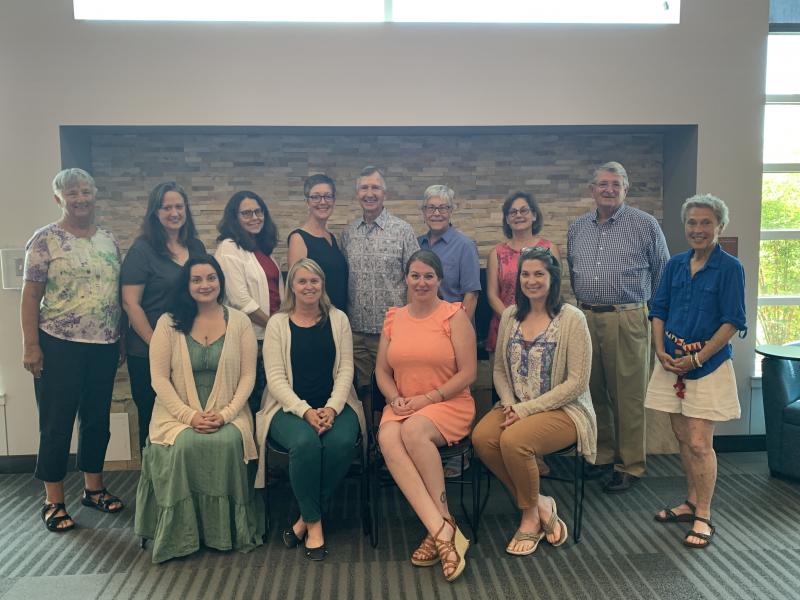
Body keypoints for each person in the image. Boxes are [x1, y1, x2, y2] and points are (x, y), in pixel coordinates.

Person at [134, 256, 263, 563]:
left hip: (228, 409)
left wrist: (227, 414)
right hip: (176, 411)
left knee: (231, 440)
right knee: (185, 444)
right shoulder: (168, 322)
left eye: (211, 278)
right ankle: (181, 535)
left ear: (220, 281)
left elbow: (248, 376)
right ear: (186, 285)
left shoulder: (240, 321)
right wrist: (189, 416)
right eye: (197, 279)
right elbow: (159, 379)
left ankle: (225, 533)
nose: (205, 285)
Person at [472, 247, 597, 555]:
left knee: (514, 441)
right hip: (514, 405)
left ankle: (529, 517)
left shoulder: (573, 319)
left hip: (564, 410)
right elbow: (499, 368)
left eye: (539, 274)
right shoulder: (511, 315)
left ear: (553, 278)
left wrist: (524, 410)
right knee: (483, 438)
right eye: (525, 274)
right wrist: (510, 403)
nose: (531, 281)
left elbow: (577, 382)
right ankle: (540, 501)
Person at [21, 168, 124, 532]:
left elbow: (116, 294)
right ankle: (53, 500)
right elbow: (31, 295)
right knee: (56, 423)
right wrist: (31, 346)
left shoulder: (108, 239)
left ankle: (93, 489)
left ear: (95, 194)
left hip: (104, 345)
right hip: (57, 344)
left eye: (85, 192)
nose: (80, 199)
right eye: (72, 194)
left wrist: (121, 338)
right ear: (59, 199)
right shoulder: (45, 239)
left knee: (97, 420)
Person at [646, 195, 746, 549]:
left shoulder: (731, 268)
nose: (698, 229)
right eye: (692, 223)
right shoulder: (674, 265)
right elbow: (658, 308)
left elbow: (733, 321)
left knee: (702, 443)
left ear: (720, 226)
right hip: (670, 363)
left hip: (708, 366)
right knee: (683, 438)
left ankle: (703, 513)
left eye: (706, 223)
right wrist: (659, 350)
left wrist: (698, 358)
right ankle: (690, 501)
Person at [567, 161, 669, 493]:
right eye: (602, 184)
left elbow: (663, 276)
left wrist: (651, 317)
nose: (608, 189)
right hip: (585, 318)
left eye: (615, 184)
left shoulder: (645, 225)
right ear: (591, 190)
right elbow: (572, 270)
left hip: (628, 317)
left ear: (626, 189)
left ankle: (630, 464)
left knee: (628, 395)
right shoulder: (577, 227)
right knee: (592, 392)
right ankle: (603, 457)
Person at [255, 258, 367, 561]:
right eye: (302, 281)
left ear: (323, 285)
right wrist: (305, 411)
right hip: (286, 408)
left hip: (337, 404)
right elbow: (275, 378)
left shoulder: (338, 318)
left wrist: (331, 408)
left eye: (314, 281)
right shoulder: (278, 323)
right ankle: (315, 525)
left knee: (341, 443)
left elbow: (345, 370)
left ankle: (303, 519)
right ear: (292, 286)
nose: (309, 286)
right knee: (305, 444)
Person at [376, 250, 476, 582]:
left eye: (428, 276)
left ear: (439, 281)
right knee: (388, 437)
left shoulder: (454, 315)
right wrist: (394, 398)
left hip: (448, 402)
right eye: (415, 275)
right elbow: (382, 370)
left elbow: (468, 373)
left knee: (414, 432)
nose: (421, 282)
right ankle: (442, 529)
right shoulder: (393, 317)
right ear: (406, 278)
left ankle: (441, 527)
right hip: (403, 402)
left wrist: (426, 399)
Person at [121, 182, 206, 449]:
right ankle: (154, 487)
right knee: (154, 423)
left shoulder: (196, 246)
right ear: (155, 213)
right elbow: (130, 304)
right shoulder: (141, 251)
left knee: (188, 421)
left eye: (179, 206)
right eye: (166, 207)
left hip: (188, 350)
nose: (174, 212)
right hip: (147, 353)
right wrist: (157, 344)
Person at [341, 166, 420, 397]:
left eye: (375, 187)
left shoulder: (403, 230)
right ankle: (367, 434)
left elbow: (416, 280)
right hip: (356, 334)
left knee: (395, 390)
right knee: (362, 391)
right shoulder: (348, 233)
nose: (369, 193)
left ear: (385, 193)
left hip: (392, 332)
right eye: (364, 188)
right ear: (357, 194)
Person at [215, 191, 284, 415]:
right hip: (251, 341)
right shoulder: (229, 248)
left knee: (270, 402)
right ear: (234, 217)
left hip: (269, 339)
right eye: (246, 213)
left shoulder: (261, 250)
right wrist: (275, 327)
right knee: (253, 405)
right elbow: (240, 300)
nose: (255, 217)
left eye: (258, 211)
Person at [486, 191, 561, 353]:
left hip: (544, 327)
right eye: (512, 212)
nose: (518, 215)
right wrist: (512, 320)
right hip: (506, 326)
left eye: (524, 210)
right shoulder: (496, 253)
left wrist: (534, 320)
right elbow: (492, 295)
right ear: (507, 219)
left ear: (534, 215)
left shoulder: (549, 249)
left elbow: (556, 289)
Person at [417, 184, 481, 321]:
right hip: (423, 324)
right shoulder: (416, 245)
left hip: (453, 325)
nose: (436, 213)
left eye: (443, 208)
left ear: (451, 211)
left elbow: (471, 296)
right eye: (431, 208)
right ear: (424, 212)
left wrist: (459, 330)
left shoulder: (465, 246)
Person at [287, 174, 349, 312]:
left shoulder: (331, 237)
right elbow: (297, 288)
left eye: (327, 196)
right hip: (316, 319)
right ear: (307, 202)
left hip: (339, 318)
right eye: (315, 197)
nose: (322, 202)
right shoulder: (298, 238)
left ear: (333, 200)